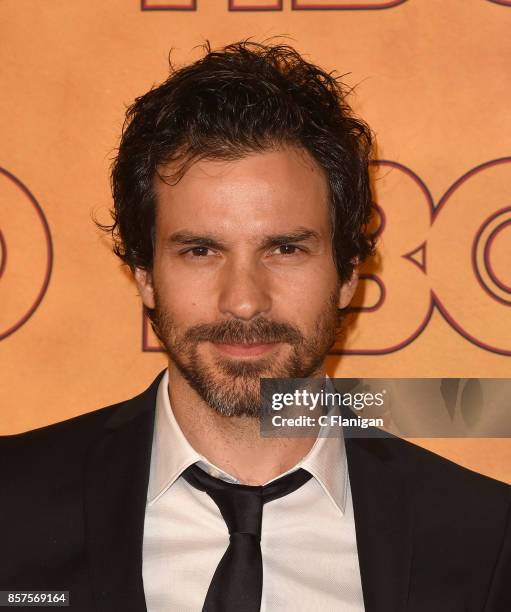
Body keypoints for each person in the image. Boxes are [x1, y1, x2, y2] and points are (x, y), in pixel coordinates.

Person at [1, 41, 510, 612]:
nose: (243, 302)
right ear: (144, 275)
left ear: (347, 274)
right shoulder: (10, 505)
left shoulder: (487, 543)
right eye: (200, 250)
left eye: (285, 248)